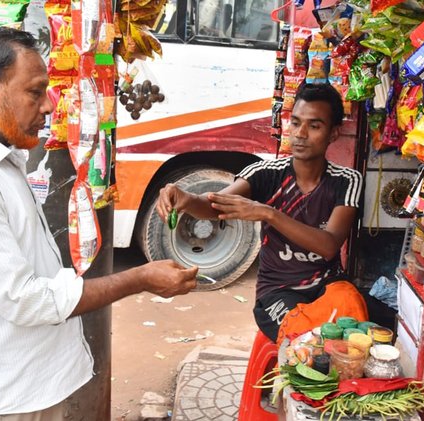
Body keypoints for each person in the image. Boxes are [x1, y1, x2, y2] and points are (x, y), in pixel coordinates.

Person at [0, 27, 198, 421]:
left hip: (28, 388)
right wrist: (141, 278)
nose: (47, 107)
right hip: (4, 400)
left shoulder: (0, 161)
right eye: (34, 91)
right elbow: (24, 299)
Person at [156, 83, 368, 343]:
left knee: (357, 333)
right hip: (278, 291)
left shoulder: (346, 180)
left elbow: (329, 245)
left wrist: (269, 213)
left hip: (328, 285)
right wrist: (187, 199)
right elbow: (215, 206)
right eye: (296, 123)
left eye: (314, 126)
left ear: (334, 133)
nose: (300, 134)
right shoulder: (266, 173)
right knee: (308, 344)